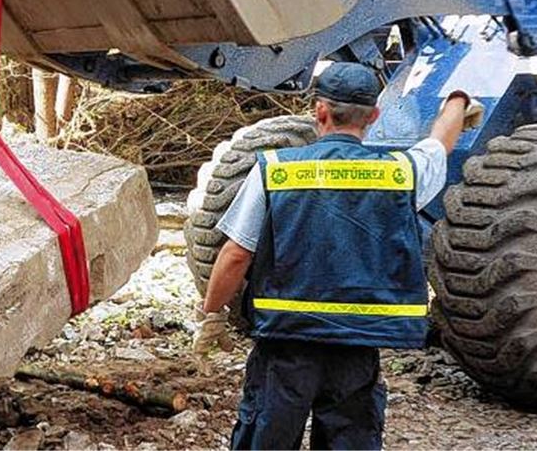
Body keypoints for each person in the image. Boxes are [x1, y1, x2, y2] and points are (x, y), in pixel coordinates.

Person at [193, 62, 483, 449]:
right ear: (375, 117)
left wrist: (211, 313)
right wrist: (458, 103)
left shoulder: (275, 170)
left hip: (286, 347)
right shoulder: (402, 174)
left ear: (320, 111)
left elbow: (235, 253)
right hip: (356, 349)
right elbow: (438, 145)